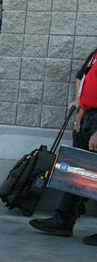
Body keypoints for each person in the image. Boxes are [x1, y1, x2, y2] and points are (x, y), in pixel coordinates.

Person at [28, 46, 97, 246]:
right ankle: (63, 220)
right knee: (78, 173)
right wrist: (82, 108)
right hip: (89, 116)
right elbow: (85, 80)